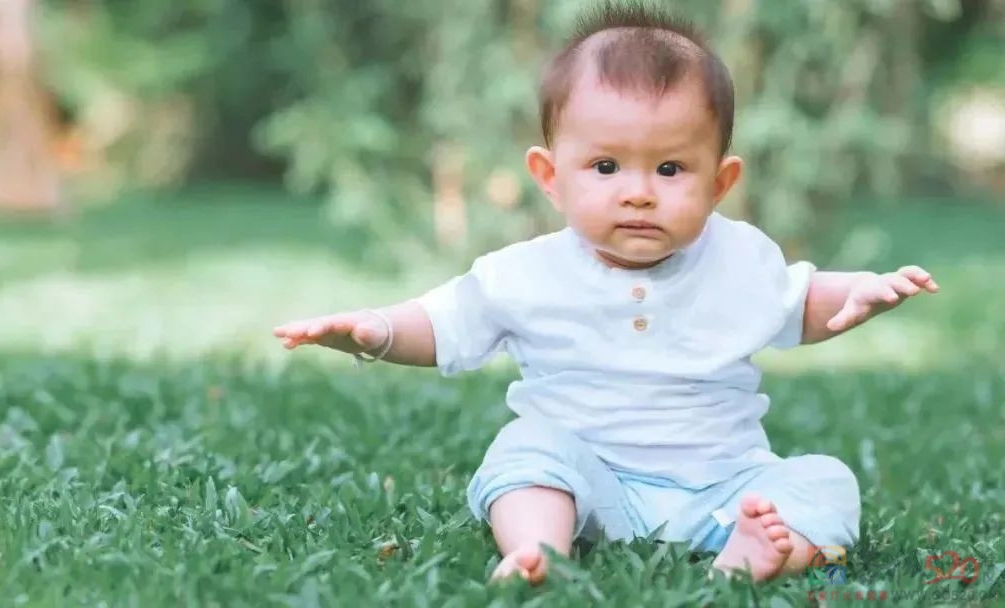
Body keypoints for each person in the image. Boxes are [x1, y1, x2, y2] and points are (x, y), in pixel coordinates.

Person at [273, 0, 938, 585]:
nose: (639, 190)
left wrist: (857, 295)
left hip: (726, 486)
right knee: (525, 452)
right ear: (551, 175)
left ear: (720, 181)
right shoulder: (524, 272)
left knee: (827, 483)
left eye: (671, 168)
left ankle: (750, 554)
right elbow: (443, 322)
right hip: (590, 484)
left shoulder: (741, 257)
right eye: (605, 166)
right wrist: (375, 332)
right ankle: (539, 548)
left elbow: (801, 301)